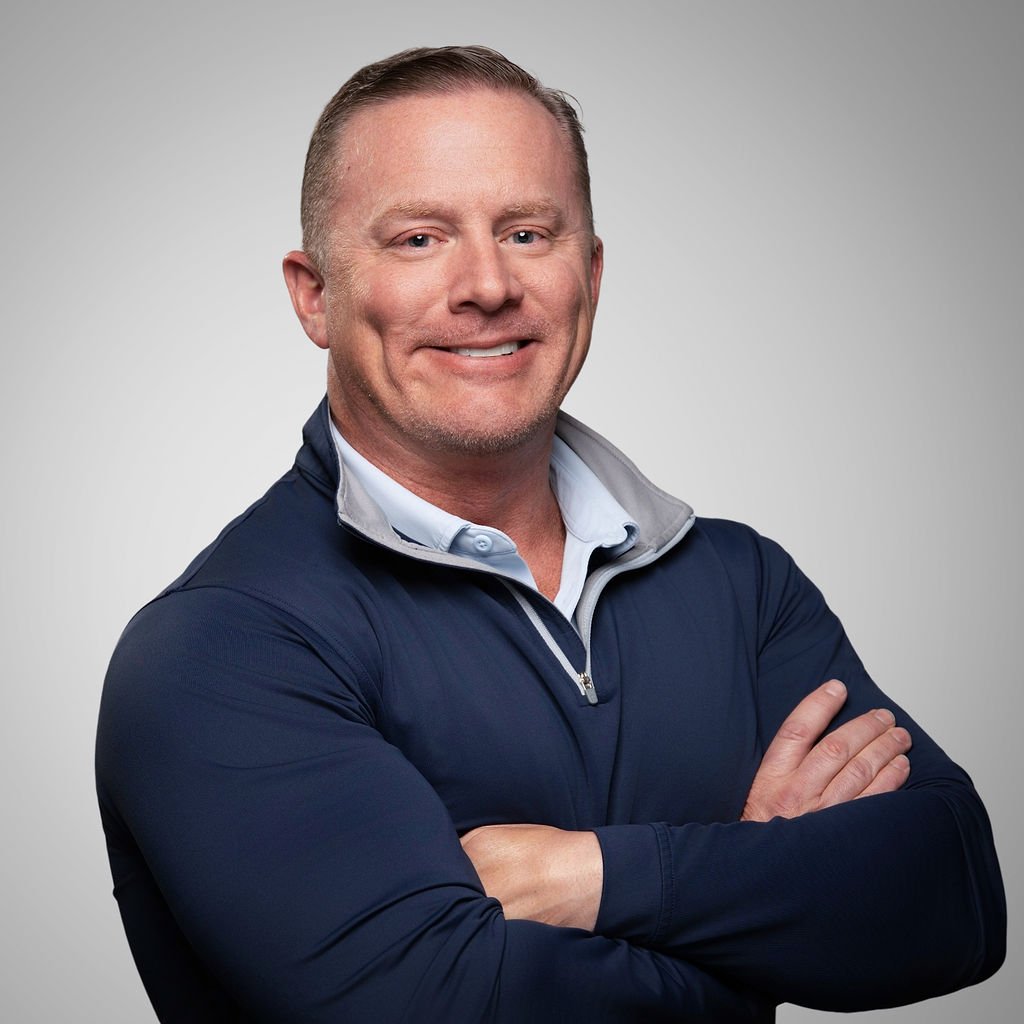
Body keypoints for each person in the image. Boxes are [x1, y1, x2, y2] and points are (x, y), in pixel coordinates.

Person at [95, 45, 1005, 1022]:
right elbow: (443, 1009)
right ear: (314, 293)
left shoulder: (741, 587)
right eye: (417, 239)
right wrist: (771, 900)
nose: (486, 284)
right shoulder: (223, 645)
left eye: (528, 232)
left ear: (592, 271)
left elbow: (954, 901)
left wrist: (599, 876)